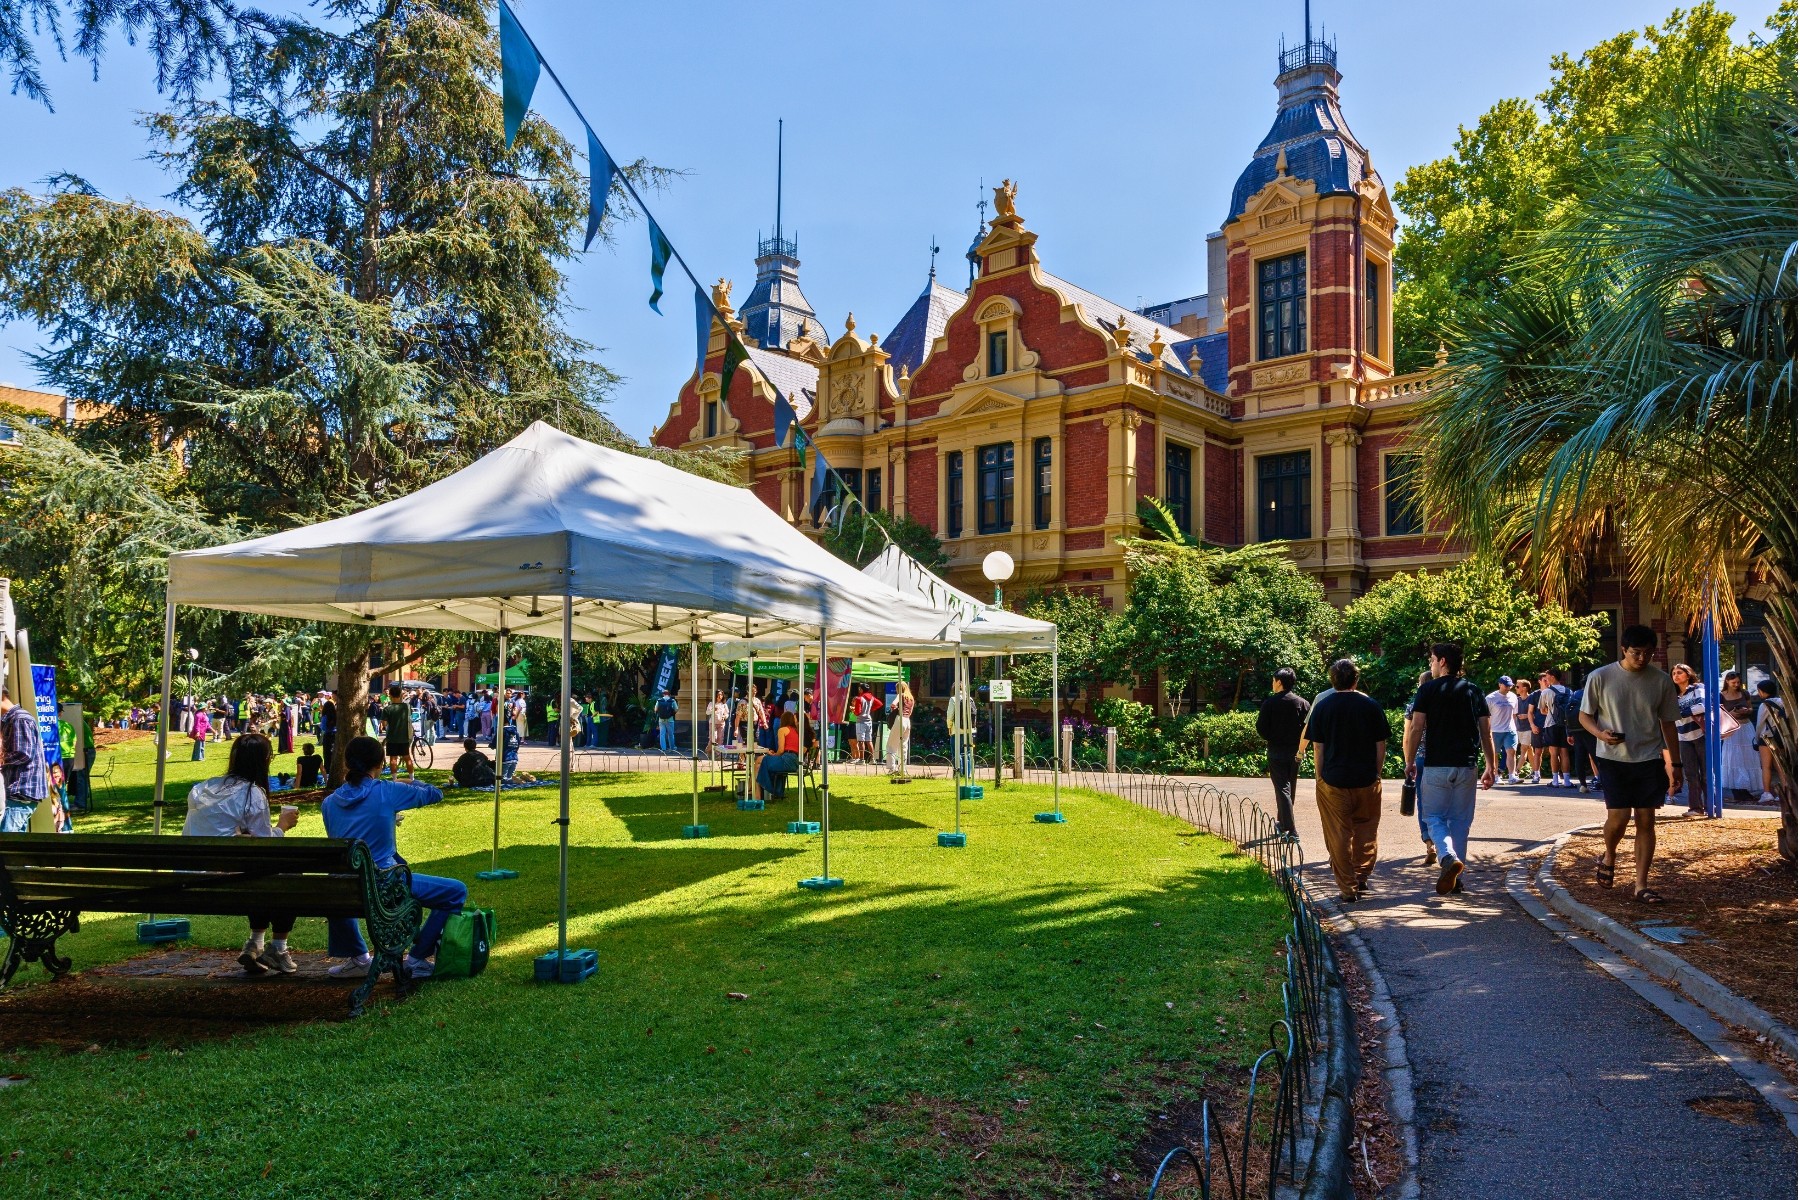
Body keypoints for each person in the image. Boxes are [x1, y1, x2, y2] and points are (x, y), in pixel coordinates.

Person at [322, 736, 467, 979]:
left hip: (344, 887)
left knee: (348, 881)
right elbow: (435, 794)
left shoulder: (329, 803)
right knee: (456, 892)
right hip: (385, 884)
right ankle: (417, 958)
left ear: (346, 764)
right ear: (380, 764)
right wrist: (413, 781)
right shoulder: (388, 792)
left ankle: (358, 957)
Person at [182, 732, 302, 974]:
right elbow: (264, 845)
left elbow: (217, 831)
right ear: (263, 761)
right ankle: (278, 948)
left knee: (256, 871)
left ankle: (255, 943)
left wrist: (244, 836)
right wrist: (282, 826)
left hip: (190, 877)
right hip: (230, 879)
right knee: (289, 875)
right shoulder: (252, 793)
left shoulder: (200, 789)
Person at [1579, 624, 1682, 902]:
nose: (1642, 658)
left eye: (1648, 653)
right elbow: (1584, 716)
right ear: (1623, 649)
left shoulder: (1661, 681)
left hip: (1649, 757)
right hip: (1612, 758)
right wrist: (1600, 733)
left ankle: (1641, 885)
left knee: (1646, 819)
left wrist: (1677, 764)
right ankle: (1610, 854)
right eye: (1636, 652)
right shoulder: (1600, 677)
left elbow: (1668, 724)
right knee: (1619, 817)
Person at [1404, 643, 1498, 895]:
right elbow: (1486, 733)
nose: (1431, 665)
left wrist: (1410, 760)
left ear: (1443, 661)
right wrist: (1491, 765)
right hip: (1467, 765)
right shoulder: (1474, 691)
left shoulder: (1427, 690)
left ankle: (1446, 857)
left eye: (1432, 660)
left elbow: (1416, 727)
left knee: (1433, 817)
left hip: (1436, 765)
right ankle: (1457, 878)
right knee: (1460, 821)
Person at [1299, 659, 1388, 903]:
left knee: (1338, 834)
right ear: (1356, 680)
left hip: (1333, 780)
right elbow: (1380, 744)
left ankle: (1348, 887)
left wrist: (1319, 776)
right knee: (1366, 830)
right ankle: (1361, 876)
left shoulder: (1324, 707)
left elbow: (1319, 746)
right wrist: (1377, 773)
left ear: (1332, 680)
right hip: (1366, 779)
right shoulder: (1371, 705)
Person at [1256, 667, 1310, 836]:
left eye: (1273, 680)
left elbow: (1261, 729)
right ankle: (1282, 821)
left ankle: (1290, 828)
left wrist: (1273, 736)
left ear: (1279, 682)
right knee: (1289, 787)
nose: (1272, 684)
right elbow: (1308, 730)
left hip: (1276, 751)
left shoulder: (1270, 703)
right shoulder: (1302, 703)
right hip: (1295, 751)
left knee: (1282, 789)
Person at [1670, 663, 1707, 815]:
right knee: (1691, 774)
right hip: (1683, 737)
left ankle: (1711, 805)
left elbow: (1703, 706)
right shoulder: (1672, 695)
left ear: (1688, 674)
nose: (1676, 676)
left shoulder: (1697, 688)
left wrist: (1681, 712)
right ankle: (1695, 807)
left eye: (1679, 672)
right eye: (1673, 674)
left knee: (1706, 773)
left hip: (1701, 734)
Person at [1717, 670, 1760, 802]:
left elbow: (1751, 708)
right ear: (1727, 682)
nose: (1736, 684)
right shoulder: (1721, 695)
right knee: (1734, 758)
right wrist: (1732, 712)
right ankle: (1737, 790)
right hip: (1732, 728)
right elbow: (1720, 713)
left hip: (1746, 726)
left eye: (1738, 682)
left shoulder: (1744, 693)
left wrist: (1747, 711)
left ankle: (1746, 788)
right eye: (1733, 682)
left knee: (1748, 757)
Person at [1529, 668, 1574, 788]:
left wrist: (1551, 711)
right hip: (1565, 725)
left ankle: (1555, 780)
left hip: (1551, 723)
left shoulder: (1546, 692)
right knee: (1564, 752)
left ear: (1553, 677)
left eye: (1548, 677)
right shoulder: (1569, 691)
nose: (1546, 679)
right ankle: (1567, 780)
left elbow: (1543, 710)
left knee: (1554, 752)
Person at [1755, 679, 1786, 806]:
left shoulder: (1765, 705)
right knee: (1781, 767)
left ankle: (1767, 793)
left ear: (1762, 691)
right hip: (1782, 738)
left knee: (1766, 766)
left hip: (1767, 737)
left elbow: (1760, 724)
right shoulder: (1783, 701)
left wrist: (1757, 739)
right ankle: (1784, 792)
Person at [756, 713, 801, 801]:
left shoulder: (782, 730)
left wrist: (773, 755)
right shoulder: (796, 731)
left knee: (759, 760)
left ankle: (756, 792)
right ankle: (758, 791)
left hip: (786, 759)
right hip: (795, 761)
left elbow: (780, 750)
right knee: (758, 766)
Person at [1485, 676, 1520, 784]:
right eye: (1506, 685)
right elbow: (1485, 716)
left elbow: (1514, 714)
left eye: (1510, 685)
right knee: (1495, 753)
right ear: (1500, 684)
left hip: (1510, 729)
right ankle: (1496, 776)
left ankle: (1512, 776)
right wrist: (1487, 731)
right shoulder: (1490, 698)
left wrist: (1514, 727)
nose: (1508, 688)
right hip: (1495, 730)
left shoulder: (1513, 697)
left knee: (1512, 751)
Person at [379, 684, 414, 780]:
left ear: (390, 695)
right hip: (405, 736)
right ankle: (412, 779)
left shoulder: (387, 709)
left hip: (392, 737)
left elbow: (384, 724)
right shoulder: (407, 707)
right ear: (401, 695)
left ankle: (394, 780)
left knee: (393, 759)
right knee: (407, 758)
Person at [887, 679, 916, 772]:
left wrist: (895, 709)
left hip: (900, 719)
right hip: (907, 721)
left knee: (891, 745)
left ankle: (892, 768)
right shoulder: (911, 698)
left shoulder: (900, 695)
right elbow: (910, 711)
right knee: (903, 746)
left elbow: (892, 705)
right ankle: (902, 769)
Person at [1512, 679, 1536, 782]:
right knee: (1529, 750)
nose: (1516, 688)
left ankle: (1516, 771)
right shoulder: (1516, 700)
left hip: (1528, 728)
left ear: (1524, 688)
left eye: (1518, 686)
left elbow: (1538, 714)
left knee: (1524, 749)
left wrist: (1526, 715)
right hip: (1519, 728)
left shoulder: (1531, 699)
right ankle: (1535, 770)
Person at [852, 685, 879, 764]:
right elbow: (879, 704)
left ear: (861, 689)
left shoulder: (859, 699)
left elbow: (858, 712)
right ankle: (872, 759)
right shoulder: (872, 698)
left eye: (859, 688)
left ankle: (861, 759)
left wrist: (853, 710)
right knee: (869, 740)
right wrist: (870, 709)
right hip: (869, 721)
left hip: (861, 721)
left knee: (861, 741)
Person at [654, 689, 679, 754]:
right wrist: (671, 713)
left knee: (662, 734)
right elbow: (676, 709)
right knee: (670, 734)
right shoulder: (672, 700)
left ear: (663, 694)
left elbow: (655, 709)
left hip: (661, 720)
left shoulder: (659, 700)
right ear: (669, 694)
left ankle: (663, 749)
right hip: (670, 720)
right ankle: (672, 748)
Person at [707, 690, 729, 756]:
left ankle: (718, 754)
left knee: (720, 738)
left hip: (721, 723)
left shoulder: (724, 705)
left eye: (721, 695)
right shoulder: (711, 703)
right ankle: (709, 750)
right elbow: (707, 712)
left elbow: (727, 713)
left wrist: (724, 716)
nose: (720, 696)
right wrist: (713, 710)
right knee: (714, 738)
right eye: (718, 695)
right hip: (713, 723)